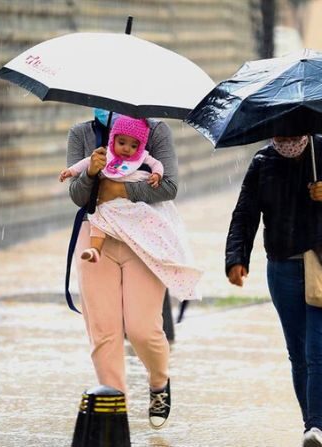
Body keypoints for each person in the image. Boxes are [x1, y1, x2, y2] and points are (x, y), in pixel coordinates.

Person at [225, 134, 322, 447]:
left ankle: (318, 427)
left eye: (294, 126)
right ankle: (311, 427)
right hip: (283, 269)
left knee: (319, 351)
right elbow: (245, 214)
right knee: (299, 353)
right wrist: (236, 258)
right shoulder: (263, 162)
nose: (287, 133)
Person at [65, 109, 201, 430]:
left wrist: (122, 190)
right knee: (103, 331)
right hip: (97, 235)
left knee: (142, 328)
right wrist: (90, 175)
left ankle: (158, 381)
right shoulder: (81, 133)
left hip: (144, 236)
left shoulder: (156, 131)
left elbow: (168, 187)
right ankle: (116, 413)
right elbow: (77, 196)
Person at [60, 116, 164, 263]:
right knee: (97, 216)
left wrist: (157, 174)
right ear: (113, 139)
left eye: (134, 146)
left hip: (130, 198)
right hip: (107, 202)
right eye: (121, 142)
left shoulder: (143, 157)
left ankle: (153, 246)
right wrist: (70, 171)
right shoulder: (105, 153)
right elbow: (85, 162)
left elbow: (157, 164)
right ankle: (95, 249)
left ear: (140, 147)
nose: (127, 149)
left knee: (144, 212)